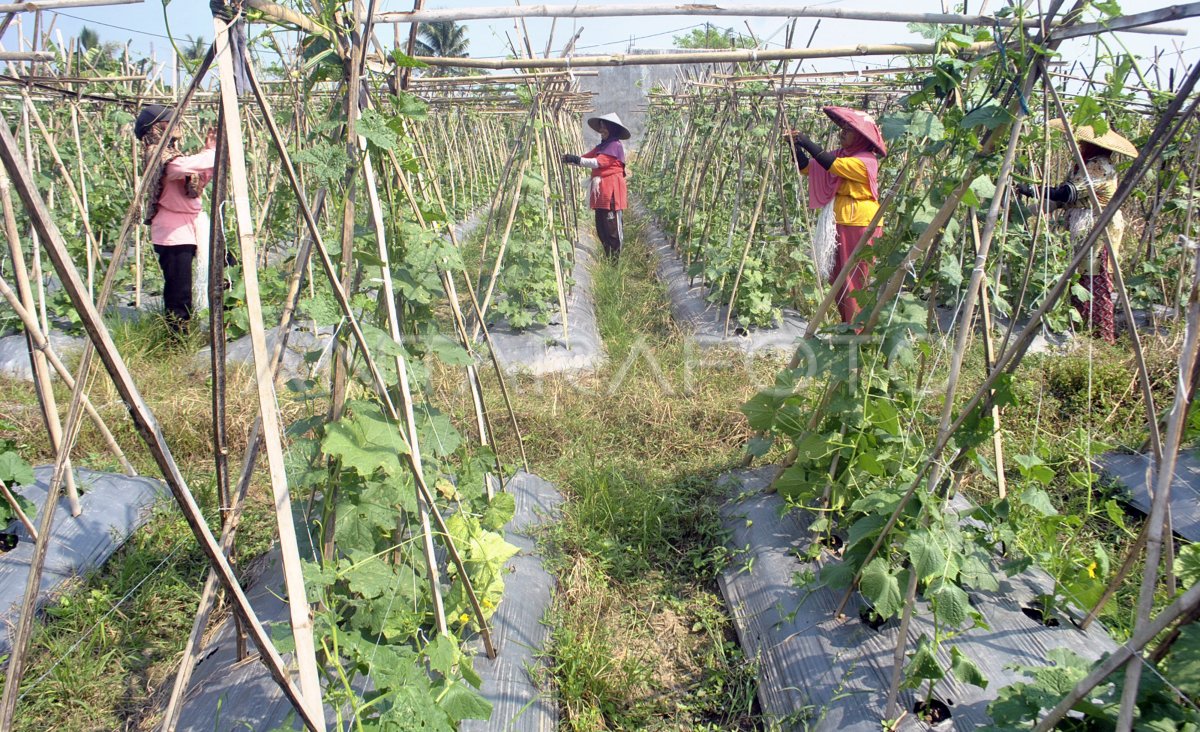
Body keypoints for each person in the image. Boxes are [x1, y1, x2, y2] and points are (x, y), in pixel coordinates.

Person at [1016, 121, 1137, 344]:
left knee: (1095, 279)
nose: (1078, 145)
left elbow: (1066, 194)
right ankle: (1083, 329)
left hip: (1099, 228)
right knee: (1082, 279)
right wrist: (1024, 211)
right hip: (1084, 226)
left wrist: (1031, 190)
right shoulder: (1085, 164)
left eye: (1082, 142)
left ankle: (1101, 337)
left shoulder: (1099, 166)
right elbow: (1062, 201)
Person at [786, 106, 887, 326]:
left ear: (861, 138)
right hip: (840, 221)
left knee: (854, 279)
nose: (842, 132)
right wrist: (795, 147)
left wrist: (807, 141)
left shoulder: (865, 161)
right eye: (842, 128)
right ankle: (847, 323)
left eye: (848, 130)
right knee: (838, 278)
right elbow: (807, 168)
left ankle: (857, 329)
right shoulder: (843, 154)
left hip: (861, 223)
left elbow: (830, 165)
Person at [135, 104, 217, 335]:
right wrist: (212, 153)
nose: (177, 124)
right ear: (157, 128)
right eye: (171, 120)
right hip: (172, 233)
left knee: (225, 268)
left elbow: (197, 180)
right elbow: (185, 166)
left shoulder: (172, 156)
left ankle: (211, 325)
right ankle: (177, 339)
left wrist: (209, 152)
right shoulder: (158, 155)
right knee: (179, 291)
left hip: (192, 227)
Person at [562, 112, 629, 258]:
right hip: (602, 194)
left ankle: (615, 260)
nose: (602, 130)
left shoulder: (614, 145)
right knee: (601, 227)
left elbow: (597, 162)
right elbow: (586, 158)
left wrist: (577, 160)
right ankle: (608, 256)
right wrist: (572, 159)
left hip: (612, 193)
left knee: (612, 229)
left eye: (605, 127)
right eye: (601, 128)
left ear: (612, 129)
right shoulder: (602, 147)